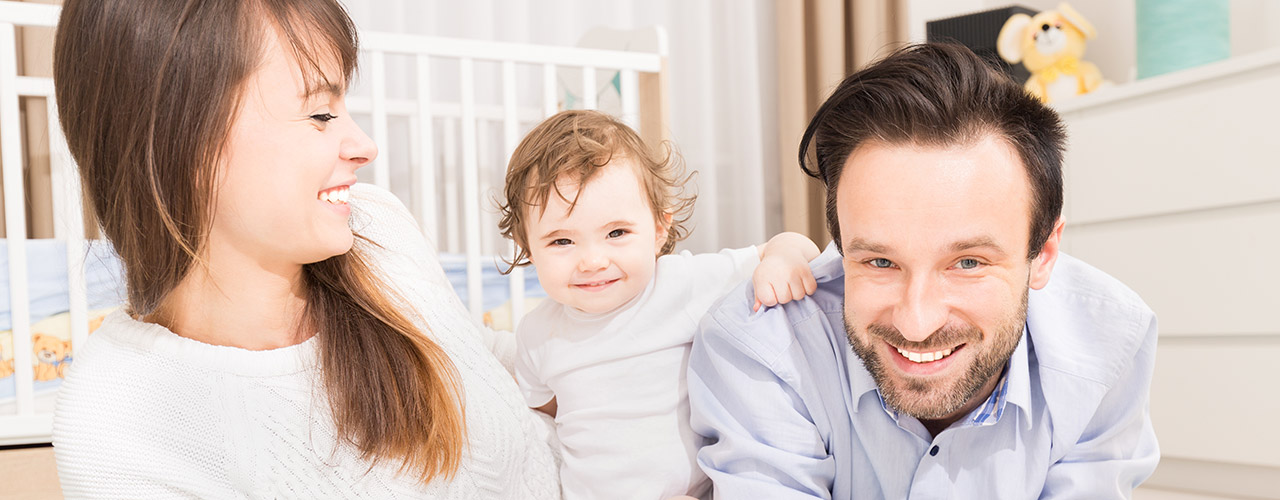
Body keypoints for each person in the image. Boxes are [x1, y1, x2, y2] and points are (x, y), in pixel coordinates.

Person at [50, 0, 558, 497]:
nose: (364, 145)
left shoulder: (377, 226)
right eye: (320, 113)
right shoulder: (119, 424)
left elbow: (472, 354)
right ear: (180, 141)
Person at [687, 43, 1159, 499]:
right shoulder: (759, 349)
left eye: (968, 263)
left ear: (1044, 253)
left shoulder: (1108, 342)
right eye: (880, 262)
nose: (917, 322)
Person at [496, 110, 820, 500]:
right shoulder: (536, 333)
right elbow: (545, 407)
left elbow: (792, 243)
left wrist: (783, 260)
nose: (592, 261)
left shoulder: (677, 285)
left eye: (616, 233)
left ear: (658, 230)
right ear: (527, 246)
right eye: (562, 241)